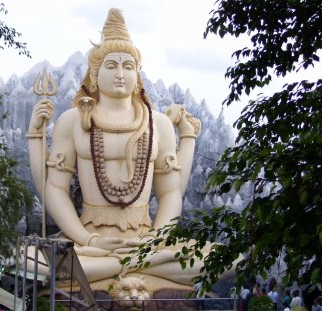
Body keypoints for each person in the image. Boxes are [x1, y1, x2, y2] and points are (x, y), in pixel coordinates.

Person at [26, 8, 210, 288]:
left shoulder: (157, 123)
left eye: (128, 66)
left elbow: (171, 191)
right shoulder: (73, 120)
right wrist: (88, 240)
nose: (120, 74)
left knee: (224, 258)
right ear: (95, 73)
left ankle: (123, 265)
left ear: (138, 73)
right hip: (89, 238)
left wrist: (157, 237)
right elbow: (54, 189)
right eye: (111, 66)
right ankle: (137, 266)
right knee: (28, 259)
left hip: (145, 236)